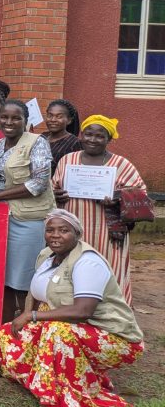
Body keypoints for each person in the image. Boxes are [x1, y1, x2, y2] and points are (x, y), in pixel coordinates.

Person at [0, 209, 144, 407]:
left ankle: (71, 393)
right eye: (50, 230)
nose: (55, 235)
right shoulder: (47, 255)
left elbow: (83, 311)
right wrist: (28, 317)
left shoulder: (87, 262)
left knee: (58, 332)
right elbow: (37, 293)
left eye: (63, 230)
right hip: (70, 326)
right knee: (6, 333)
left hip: (111, 336)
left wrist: (32, 316)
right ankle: (41, 379)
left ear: (77, 233)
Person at [0, 99, 54, 321]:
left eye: (16, 118)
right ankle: (2, 328)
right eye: (4, 117)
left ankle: (27, 327)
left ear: (26, 121)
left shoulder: (37, 142)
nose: (9, 122)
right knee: (1, 277)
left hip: (26, 220)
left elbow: (39, 183)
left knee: (23, 280)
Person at [52, 115, 147, 304]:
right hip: (72, 230)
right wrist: (57, 195)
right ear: (81, 135)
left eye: (99, 136)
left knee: (107, 271)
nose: (92, 140)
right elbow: (53, 188)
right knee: (73, 269)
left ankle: (111, 316)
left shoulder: (121, 164)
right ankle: (72, 312)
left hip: (106, 233)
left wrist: (117, 197)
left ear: (109, 139)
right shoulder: (67, 160)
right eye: (88, 134)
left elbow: (140, 196)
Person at [42, 99, 82, 174]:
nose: (53, 120)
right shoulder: (42, 137)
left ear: (69, 120)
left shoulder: (74, 143)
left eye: (59, 117)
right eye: (50, 116)